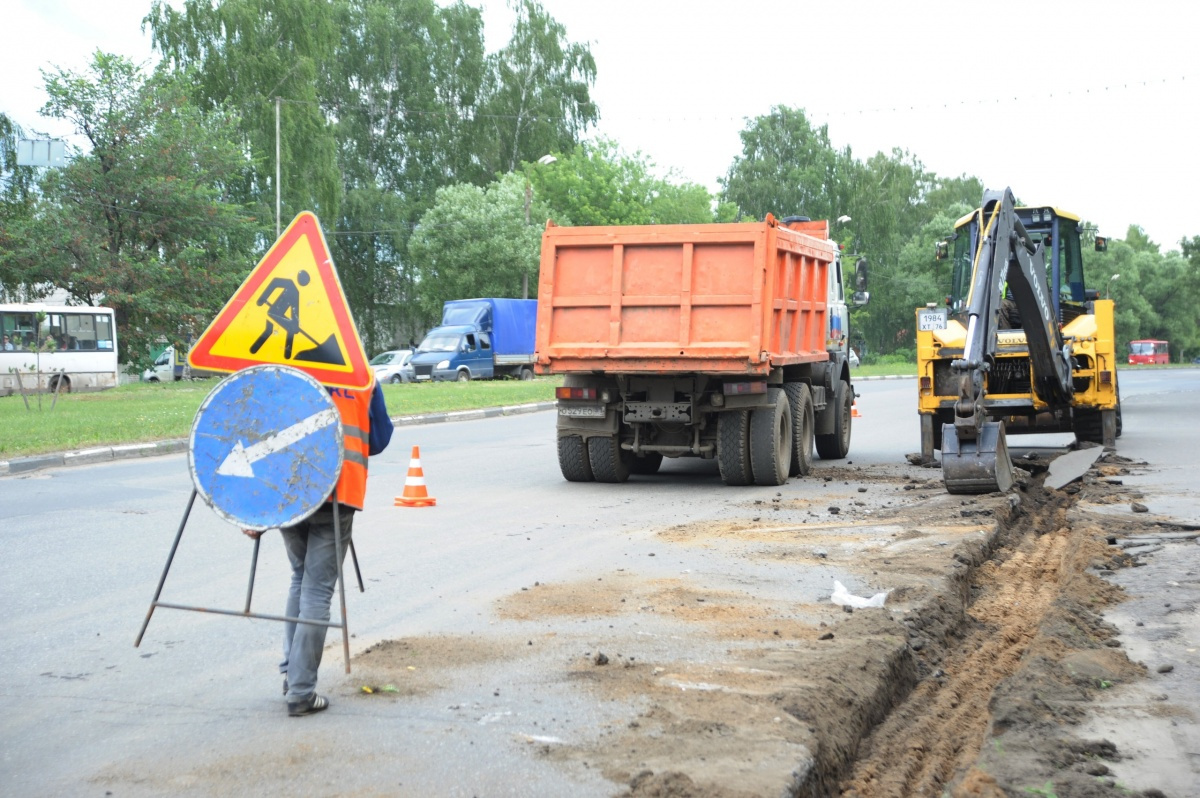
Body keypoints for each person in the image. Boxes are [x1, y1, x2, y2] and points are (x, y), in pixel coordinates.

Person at [243, 377, 393, 716]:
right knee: (317, 590)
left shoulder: (285, 374)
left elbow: (256, 434)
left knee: (300, 578)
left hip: (289, 495)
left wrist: (254, 508)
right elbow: (379, 440)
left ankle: (290, 673)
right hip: (336, 497)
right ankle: (300, 692)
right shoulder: (362, 376)